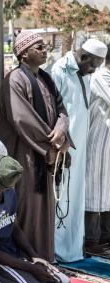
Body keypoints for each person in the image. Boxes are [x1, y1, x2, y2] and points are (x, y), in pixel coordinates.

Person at [0, 31, 70, 262]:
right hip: (26, 155)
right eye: (38, 46)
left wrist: (61, 129)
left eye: (43, 46)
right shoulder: (14, 79)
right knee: (27, 208)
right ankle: (26, 262)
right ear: (23, 53)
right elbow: (22, 119)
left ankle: (45, 258)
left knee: (45, 209)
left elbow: (61, 110)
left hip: (47, 152)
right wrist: (50, 144)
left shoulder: (46, 78)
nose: (44, 49)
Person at [51, 38, 107, 262]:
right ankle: (58, 249)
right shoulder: (60, 70)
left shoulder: (84, 73)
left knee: (76, 198)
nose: (94, 70)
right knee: (62, 198)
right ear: (84, 57)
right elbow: (52, 109)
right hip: (65, 147)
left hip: (81, 148)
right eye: (93, 64)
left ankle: (73, 249)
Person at [86, 46, 110, 254]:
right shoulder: (102, 77)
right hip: (97, 143)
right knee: (95, 191)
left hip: (108, 144)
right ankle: (92, 241)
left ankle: (105, 237)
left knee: (107, 191)